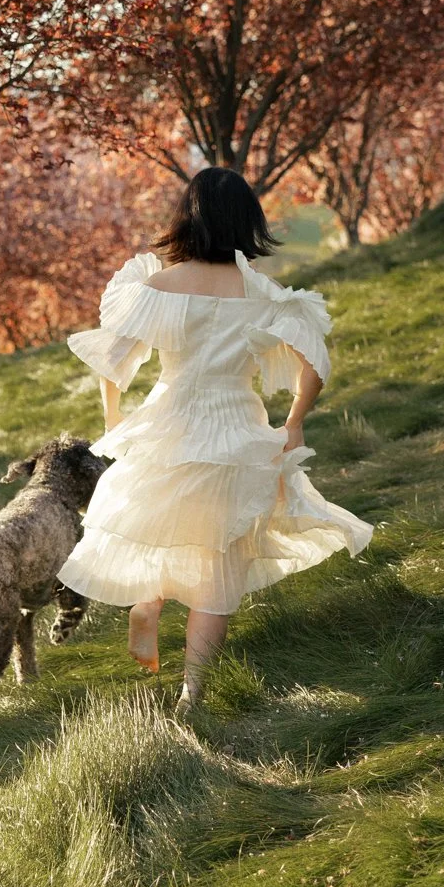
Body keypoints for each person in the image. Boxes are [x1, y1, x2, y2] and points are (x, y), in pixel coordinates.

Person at [58, 167, 373, 711]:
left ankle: (149, 600)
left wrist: (112, 422)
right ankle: (193, 693)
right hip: (233, 426)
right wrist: (295, 420)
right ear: (247, 222)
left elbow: (112, 361)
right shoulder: (262, 292)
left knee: (157, 520)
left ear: (188, 217)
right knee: (217, 560)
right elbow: (314, 363)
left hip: (168, 420)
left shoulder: (158, 285)